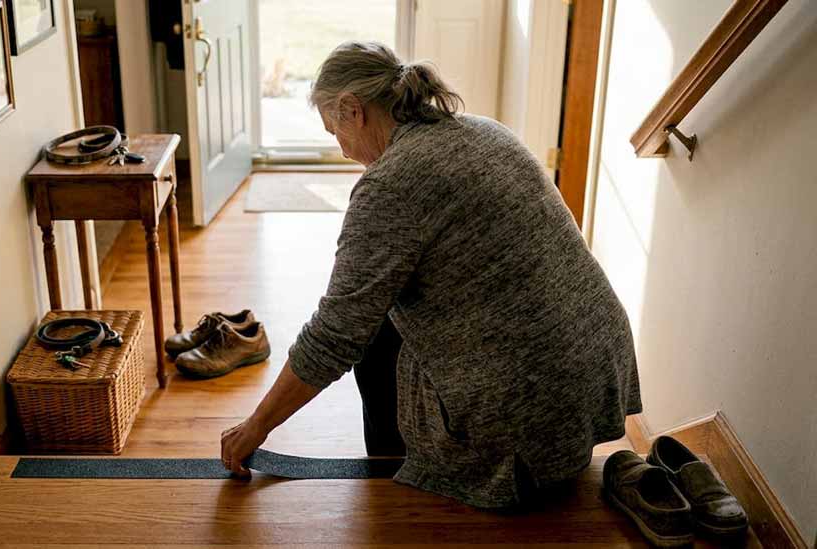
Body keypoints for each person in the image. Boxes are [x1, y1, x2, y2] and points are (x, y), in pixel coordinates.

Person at [220, 41, 642, 509]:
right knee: (386, 307)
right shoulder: (487, 130)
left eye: (334, 131)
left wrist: (256, 425)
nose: (340, 151)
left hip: (526, 409)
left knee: (372, 333)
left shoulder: (390, 186)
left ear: (353, 110)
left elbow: (335, 335)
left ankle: (395, 492)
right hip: (595, 368)